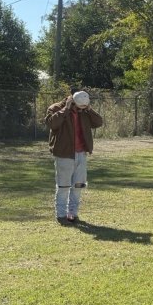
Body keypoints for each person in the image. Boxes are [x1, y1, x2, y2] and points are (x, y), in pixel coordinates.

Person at [46, 90, 104, 224]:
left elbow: (98, 122)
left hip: (81, 154)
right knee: (63, 187)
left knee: (78, 186)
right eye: (80, 106)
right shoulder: (55, 108)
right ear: (72, 100)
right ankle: (61, 216)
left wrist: (89, 109)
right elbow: (52, 124)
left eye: (84, 106)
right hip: (64, 154)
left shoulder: (84, 111)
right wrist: (65, 109)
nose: (81, 108)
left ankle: (73, 214)